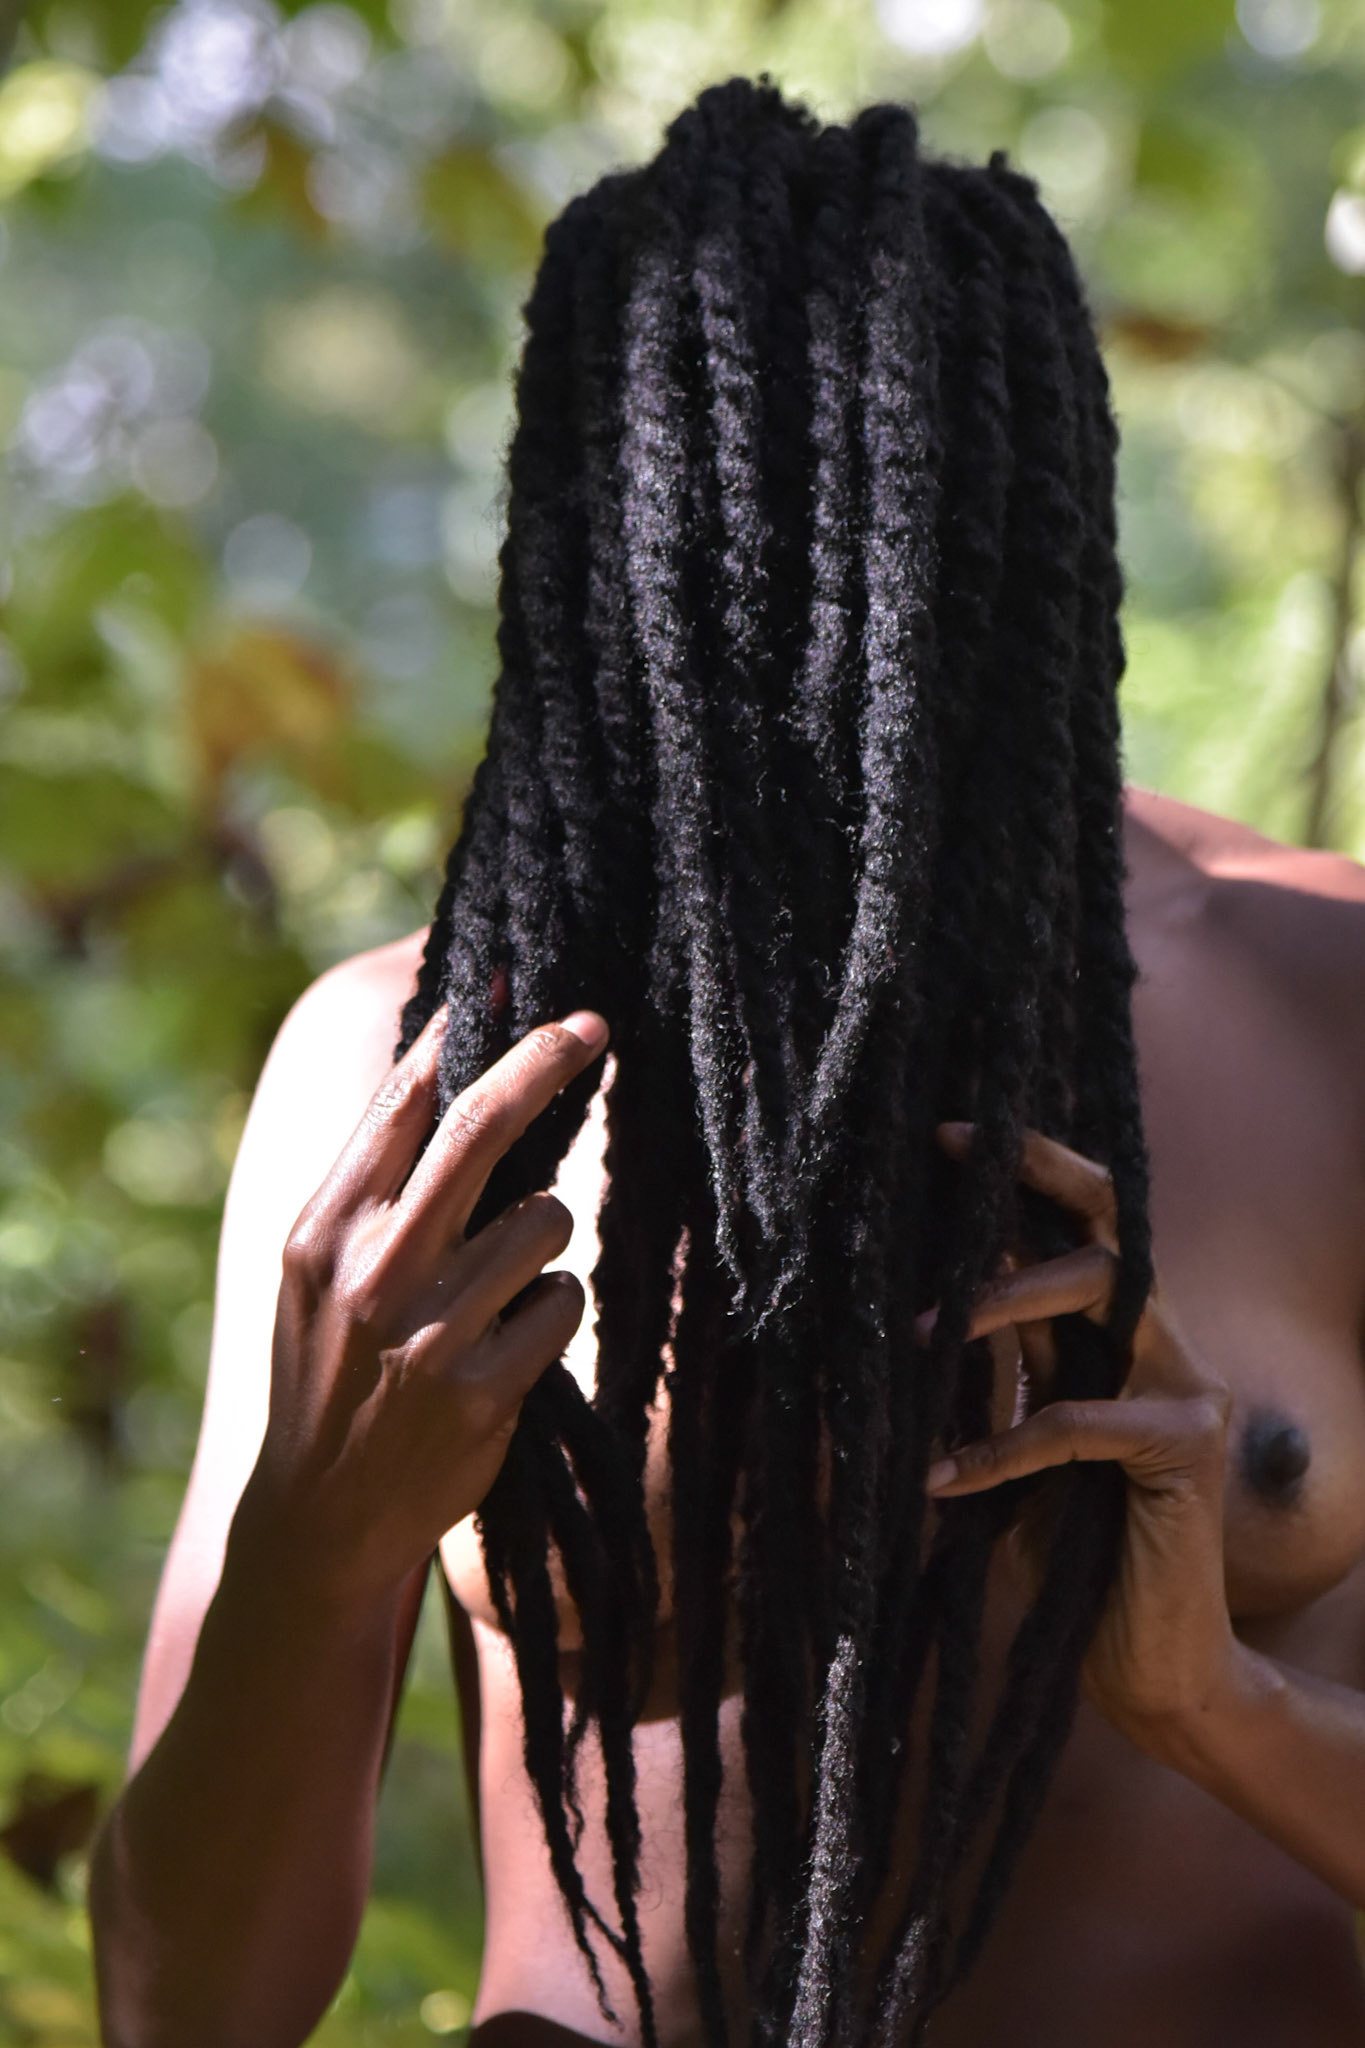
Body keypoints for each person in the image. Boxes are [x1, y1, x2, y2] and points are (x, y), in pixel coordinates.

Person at [88, 78, 1365, 2048]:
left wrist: (1216, 1701)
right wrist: (316, 1553)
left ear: (1016, 553)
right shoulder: (400, 1067)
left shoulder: (1325, 997)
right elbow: (181, 2011)